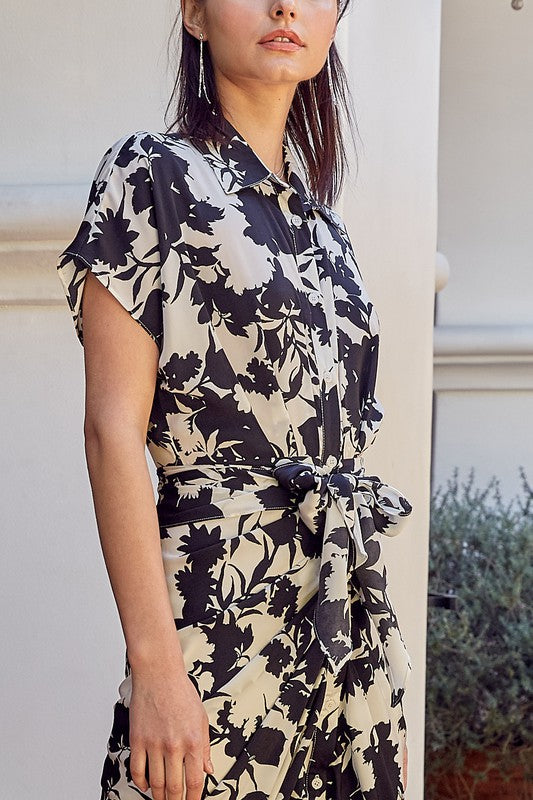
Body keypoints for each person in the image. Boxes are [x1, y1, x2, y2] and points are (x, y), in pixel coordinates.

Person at [56, 1, 413, 799]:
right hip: (216, 625)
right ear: (193, 12)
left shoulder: (330, 234)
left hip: (341, 632)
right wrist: (154, 669)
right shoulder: (151, 174)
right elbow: (111, 432)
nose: (286, 5)